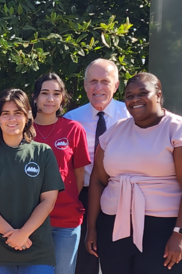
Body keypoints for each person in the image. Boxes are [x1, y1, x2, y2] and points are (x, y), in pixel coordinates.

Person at [85, 72, 182, 274]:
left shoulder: (181, 131)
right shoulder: (113, 133)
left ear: (159, 95)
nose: (135, 99)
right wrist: (92, 228)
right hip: (116, 227)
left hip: (167, 227)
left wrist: (179, 235)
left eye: (142, 93)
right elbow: (98, 180)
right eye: (129, 95)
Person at [0, 89, 64, 274]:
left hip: (36, 249)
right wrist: (13, 235)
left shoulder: (43, 153)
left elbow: (48, 201)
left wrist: (24, 233)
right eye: (5, 114)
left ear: (28, 116)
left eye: (18, 113)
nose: (12, 119)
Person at [63, 58, 130, 274]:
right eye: (93, 81)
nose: (98, 87)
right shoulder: (71, 119)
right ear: (85, 86)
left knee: (119, 260)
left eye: (105, 81)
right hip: (84, 195)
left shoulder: (131, 115)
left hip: (123, 197)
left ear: (116, 85)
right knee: (85, 262)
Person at [32, 73, 91, 274]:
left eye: (56, 94)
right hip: (30, 220)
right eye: (45, 93)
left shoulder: (74, 129)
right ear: (35, 97)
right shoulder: (23, 129)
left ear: (62, 99)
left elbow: (79, 175)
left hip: (66, 220)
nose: (50, 99)